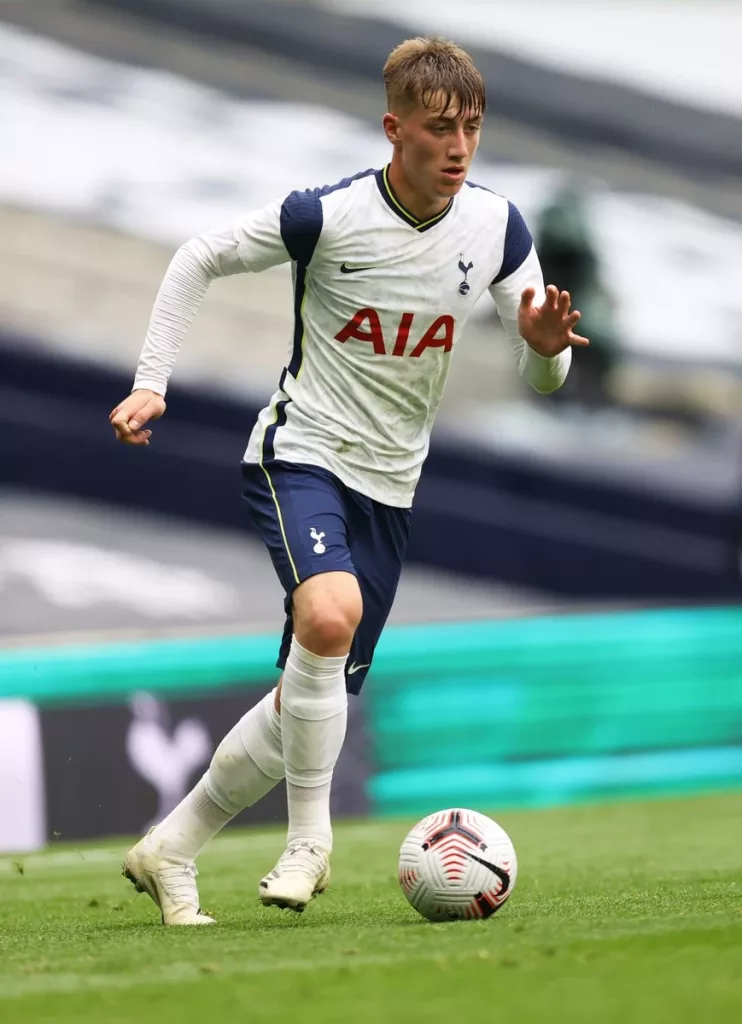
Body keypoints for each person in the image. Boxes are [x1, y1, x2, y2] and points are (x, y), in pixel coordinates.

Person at [110, 36, 588, 926]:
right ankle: (311, 842)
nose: (458, 149)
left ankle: (171, 849)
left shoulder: (497, 228)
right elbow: (197, 257)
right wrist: (151, 381)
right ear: (393, 127)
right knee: (328, 616)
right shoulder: (324, 216)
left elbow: (544, 376)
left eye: (472, 129)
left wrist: (546, 351)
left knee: (308, 691)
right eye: (439, 129)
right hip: (303, 451)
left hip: (392, 489)